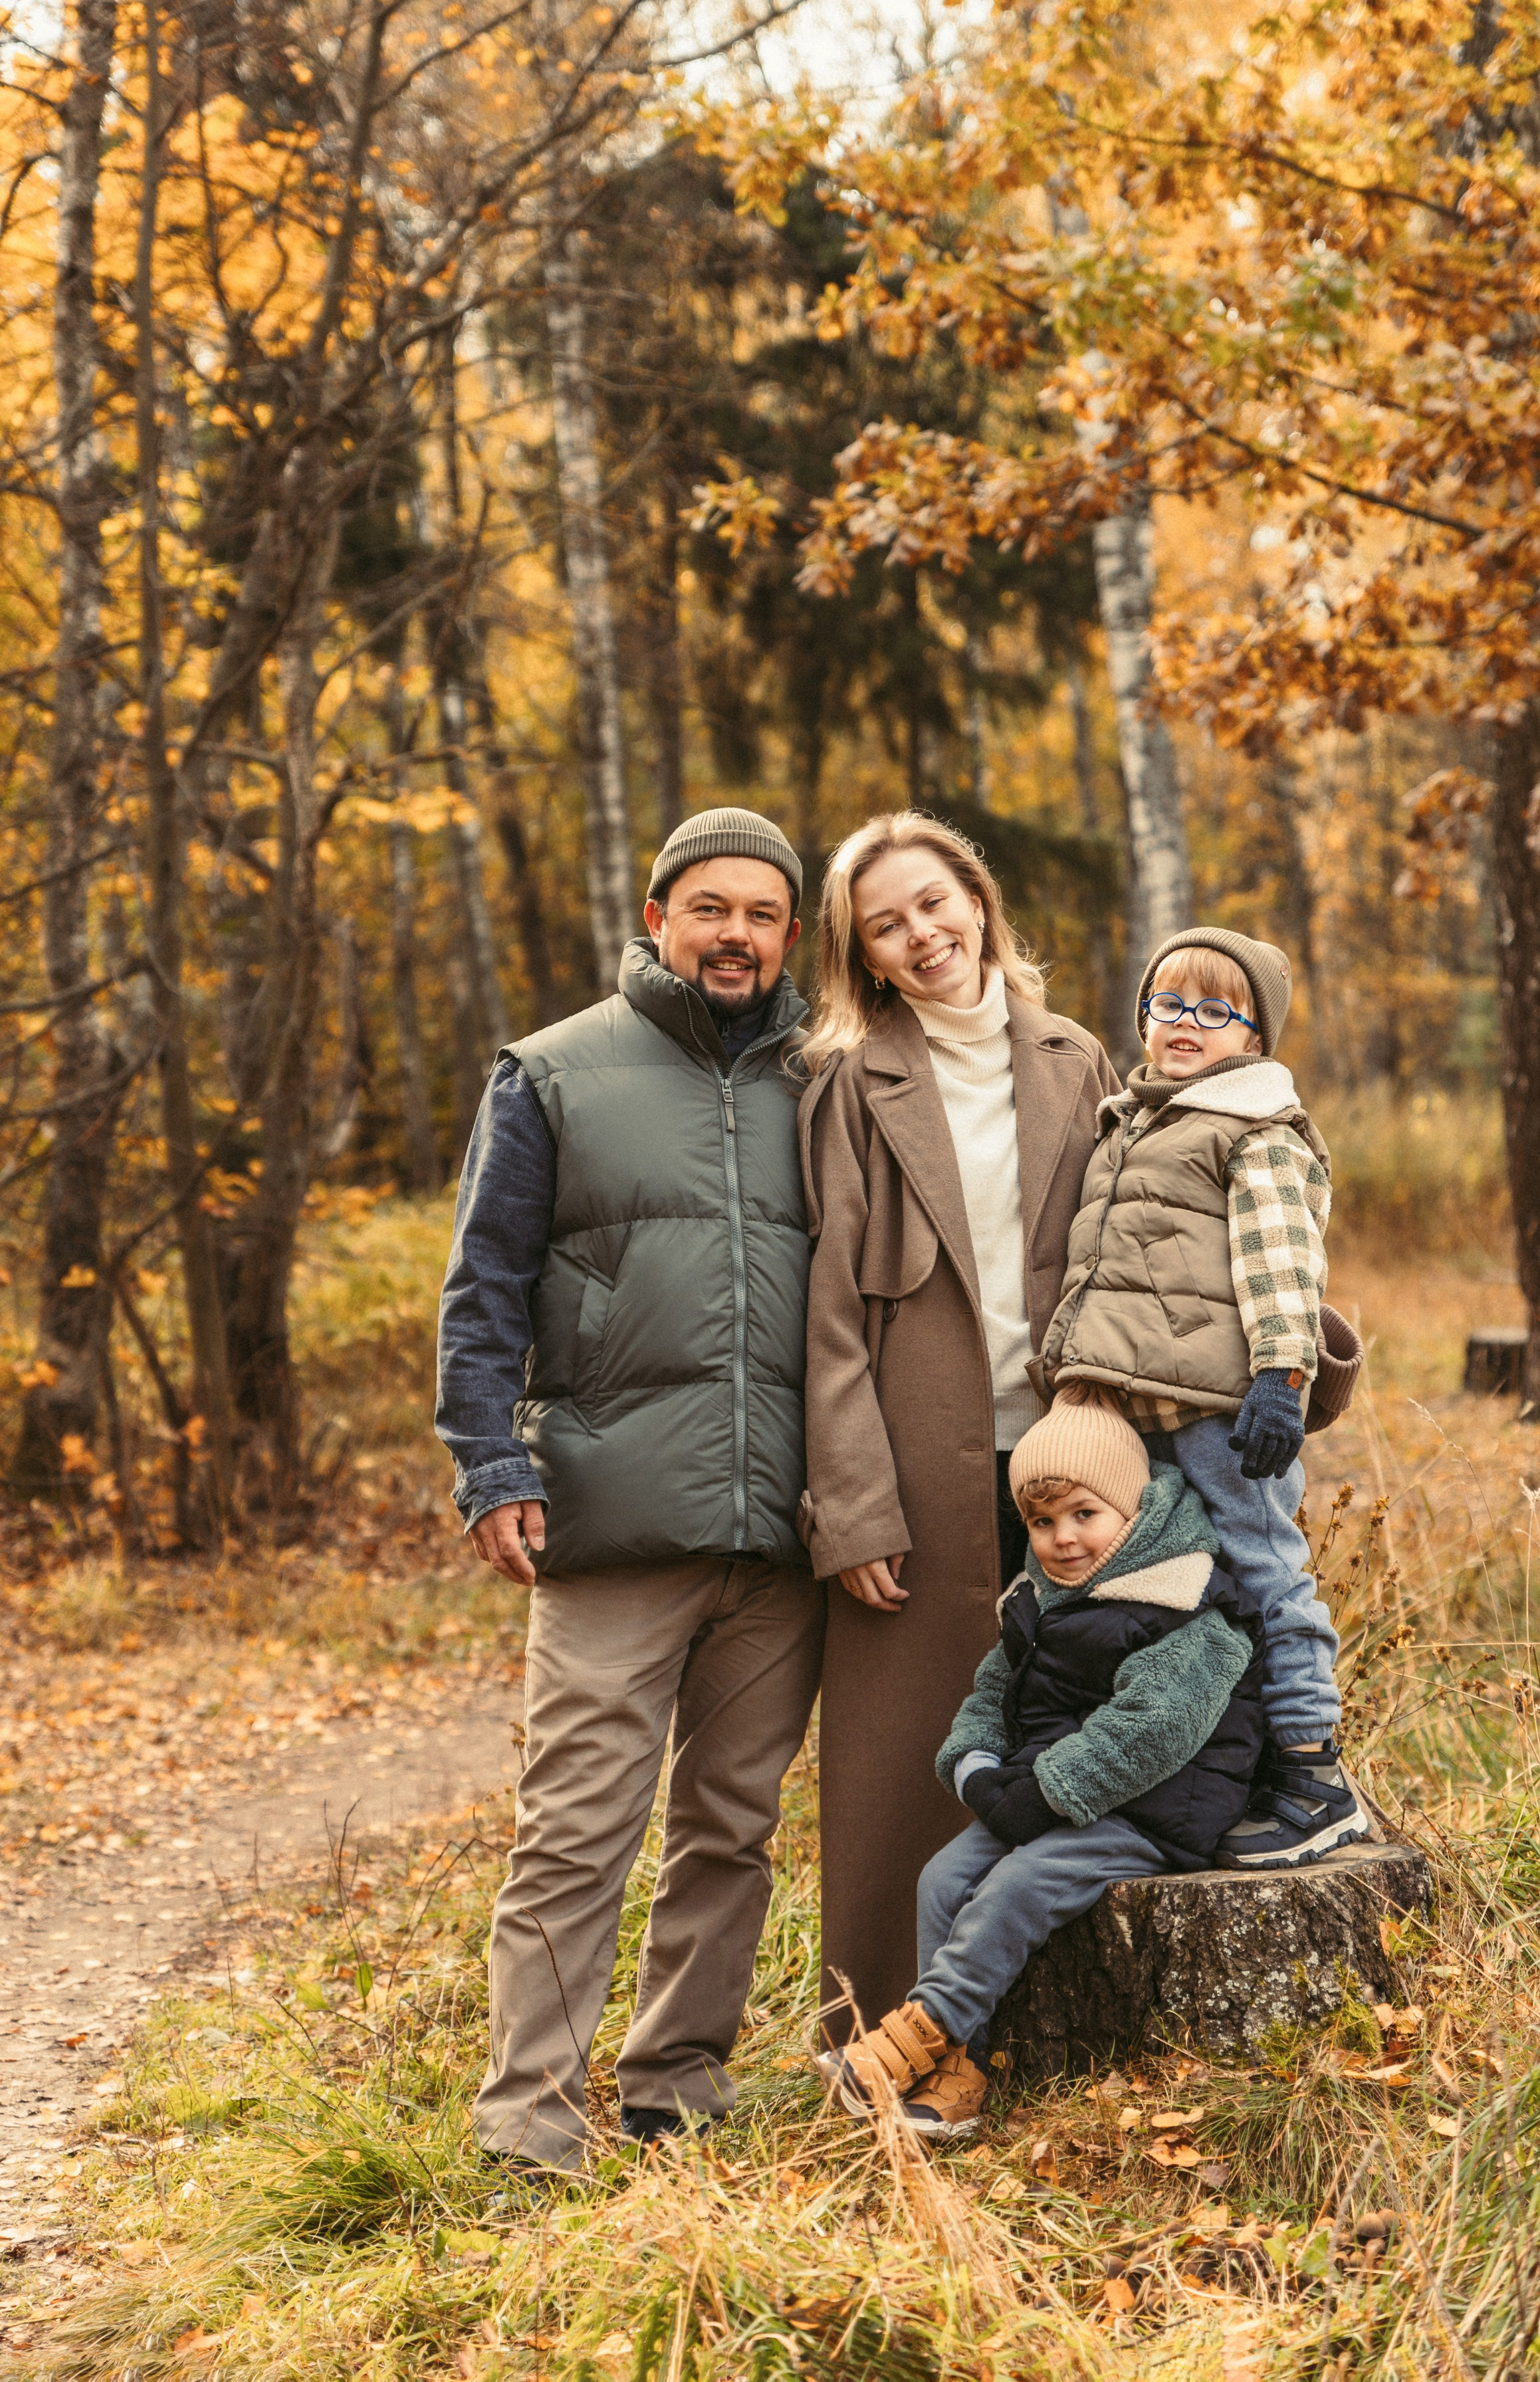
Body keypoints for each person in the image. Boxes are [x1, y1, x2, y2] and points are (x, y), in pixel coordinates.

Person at [435, 806, 827, 2174]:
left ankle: (676, 2084)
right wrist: (488, 1460)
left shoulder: (824, 1079)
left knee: (733, 1827)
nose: (735, 934)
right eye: (708, 906)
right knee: (576, 1828)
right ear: (657, 917)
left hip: (781, 1532)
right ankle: (528, 2119)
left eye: (763, 912)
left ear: (791, 935)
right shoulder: (550, 1072)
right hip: (605, 1520)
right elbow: (481, 1287)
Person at [796, 812, 1121, 2036]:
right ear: (865, 956)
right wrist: (852, 1507)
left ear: (976, 899)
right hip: (913, 1457)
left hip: (1070, 1454)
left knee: (1081, 1724)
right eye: (887, 923)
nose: (922, 934)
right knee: (902, 1758)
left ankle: (1056, 2023)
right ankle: (883, 2033)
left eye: (934, 902)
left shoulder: (1073, 1055)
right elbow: (827, 1315)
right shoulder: (846, 1079)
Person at [820, 1396, 1263, 2139]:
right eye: (1042, 1522)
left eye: (1085, 1513)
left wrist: (1045, 1794)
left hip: (1151, 1810)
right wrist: (977, 1768)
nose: (1063, 1538)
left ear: (1136, 1505)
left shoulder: (1186, 1597)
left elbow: (1150, 1729)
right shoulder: (1043, 1598)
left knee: (1018, 1884)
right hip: (1049, 1796)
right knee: (944, 1879)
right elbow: (994, 1687)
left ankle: (923, 2029)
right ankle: (960, 2069)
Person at [1040, 925, 1367, 1868]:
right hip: (1143, 1407)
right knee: (1188, 1590)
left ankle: (1316, 1772)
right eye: (1168, 1003)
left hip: (1225, 1407)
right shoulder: (1135, 1118)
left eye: (1216, 1010)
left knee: (1268, 1571)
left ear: (1255, 1037)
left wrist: (1282, 1374)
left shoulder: (1257, 1128)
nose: (1186, 1023)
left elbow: (1281, 1258)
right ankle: (1236, 1761)